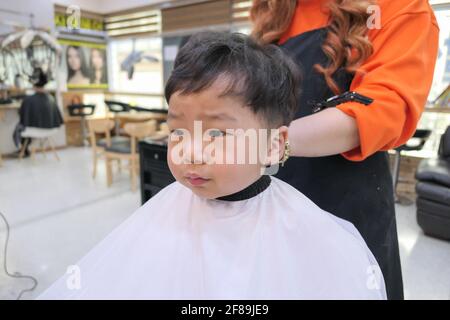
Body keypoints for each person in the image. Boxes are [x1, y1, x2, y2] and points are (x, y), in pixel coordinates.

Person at [38, 32, 385, 300]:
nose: (190, 151)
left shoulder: (312, 234)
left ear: (274, 144)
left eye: (217, 132)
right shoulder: (164, 211)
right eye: (177, 130)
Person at [250, 0, 440, 300]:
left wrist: (257, 144)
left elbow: (383, 110)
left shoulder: (398, 6)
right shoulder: (275, 12)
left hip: (344, 208)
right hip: (268, 205)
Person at [15, 68, 63, 157]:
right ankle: (25, 149)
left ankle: (22, 149)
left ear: (33, 85)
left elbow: (23, 118)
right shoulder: (51, 99)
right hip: (51, 129)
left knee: (19, 127)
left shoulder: (28, 100)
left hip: (32, 130)